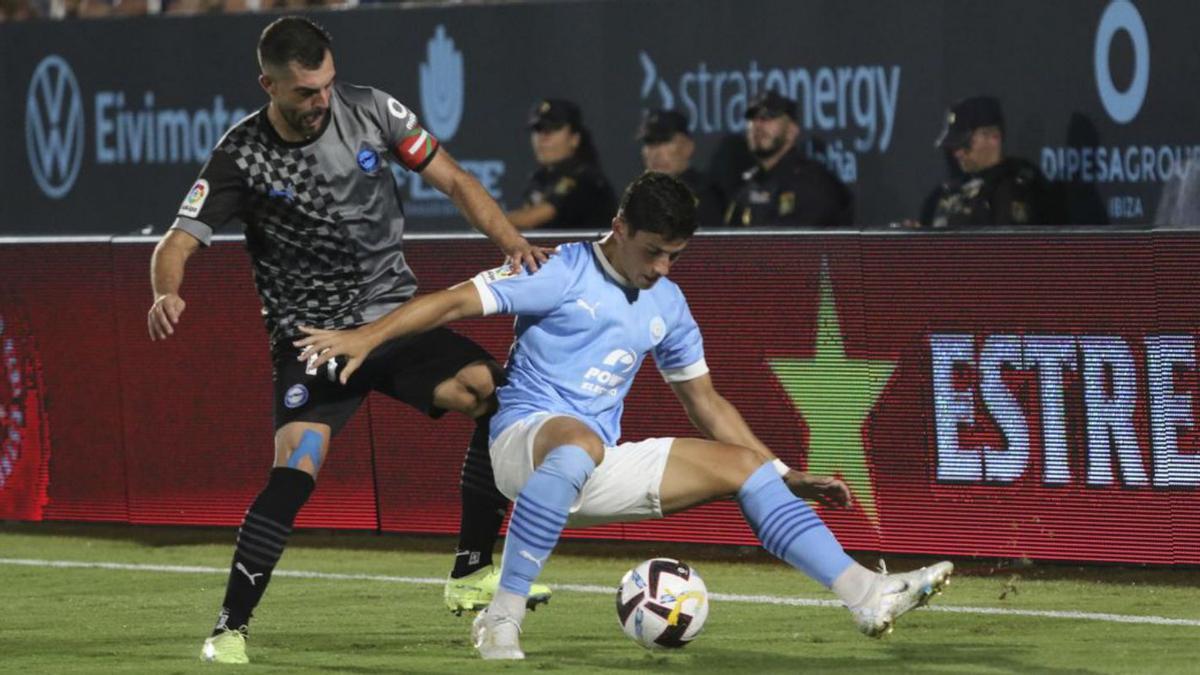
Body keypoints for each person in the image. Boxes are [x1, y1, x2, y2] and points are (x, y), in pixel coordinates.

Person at [295, 172, 954, 661]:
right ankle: (500, 617)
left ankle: (866, 593)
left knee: (743, 466)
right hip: (522, 445)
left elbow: (706, 402)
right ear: (619, 227)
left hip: (594, 464)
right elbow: (447, 304)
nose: (663, 268)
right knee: (577, 438)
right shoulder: (557, 271)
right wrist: (363, 338)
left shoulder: (667, 301)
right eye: (654, 252)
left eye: (675, 256)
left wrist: (785, 472)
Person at [147, 17, 552, 664]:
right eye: (305, 92)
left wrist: (512, 245)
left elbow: (452, 178)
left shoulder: (372, 109)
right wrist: (166, 291)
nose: (321, 102)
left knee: (494, 395)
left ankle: (472, 569)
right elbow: (178, 242)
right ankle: (228, 627)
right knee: (296, 469)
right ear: (269, 85)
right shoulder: (240, 154)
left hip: (390, 322)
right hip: (314, 344)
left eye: (327, 85)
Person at [923, 96, 1057, 228]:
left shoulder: (1014, 188)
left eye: (965, 144)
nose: (957, 153)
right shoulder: (952, 187)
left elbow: (1009, 246)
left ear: (994, 138)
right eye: (955, 146)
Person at [726, 90, 853, 227]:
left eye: (767, 117)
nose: (757, 125)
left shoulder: (813, 183)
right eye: (752, 118)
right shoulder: (748, 185)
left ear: (792, 131)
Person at [507, 98, 617, 231]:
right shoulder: (539, 178)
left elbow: (530, 219)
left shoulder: (586, 179)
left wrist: (485, 219)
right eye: (538, 129)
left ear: (574, 139)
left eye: (552, 129)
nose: (543, 137)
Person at [638, 109, 723, 229]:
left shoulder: (706, 194)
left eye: (664, 141)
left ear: (687, 146)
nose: (656, 153)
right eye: (650, 142)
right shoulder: (637, 198)